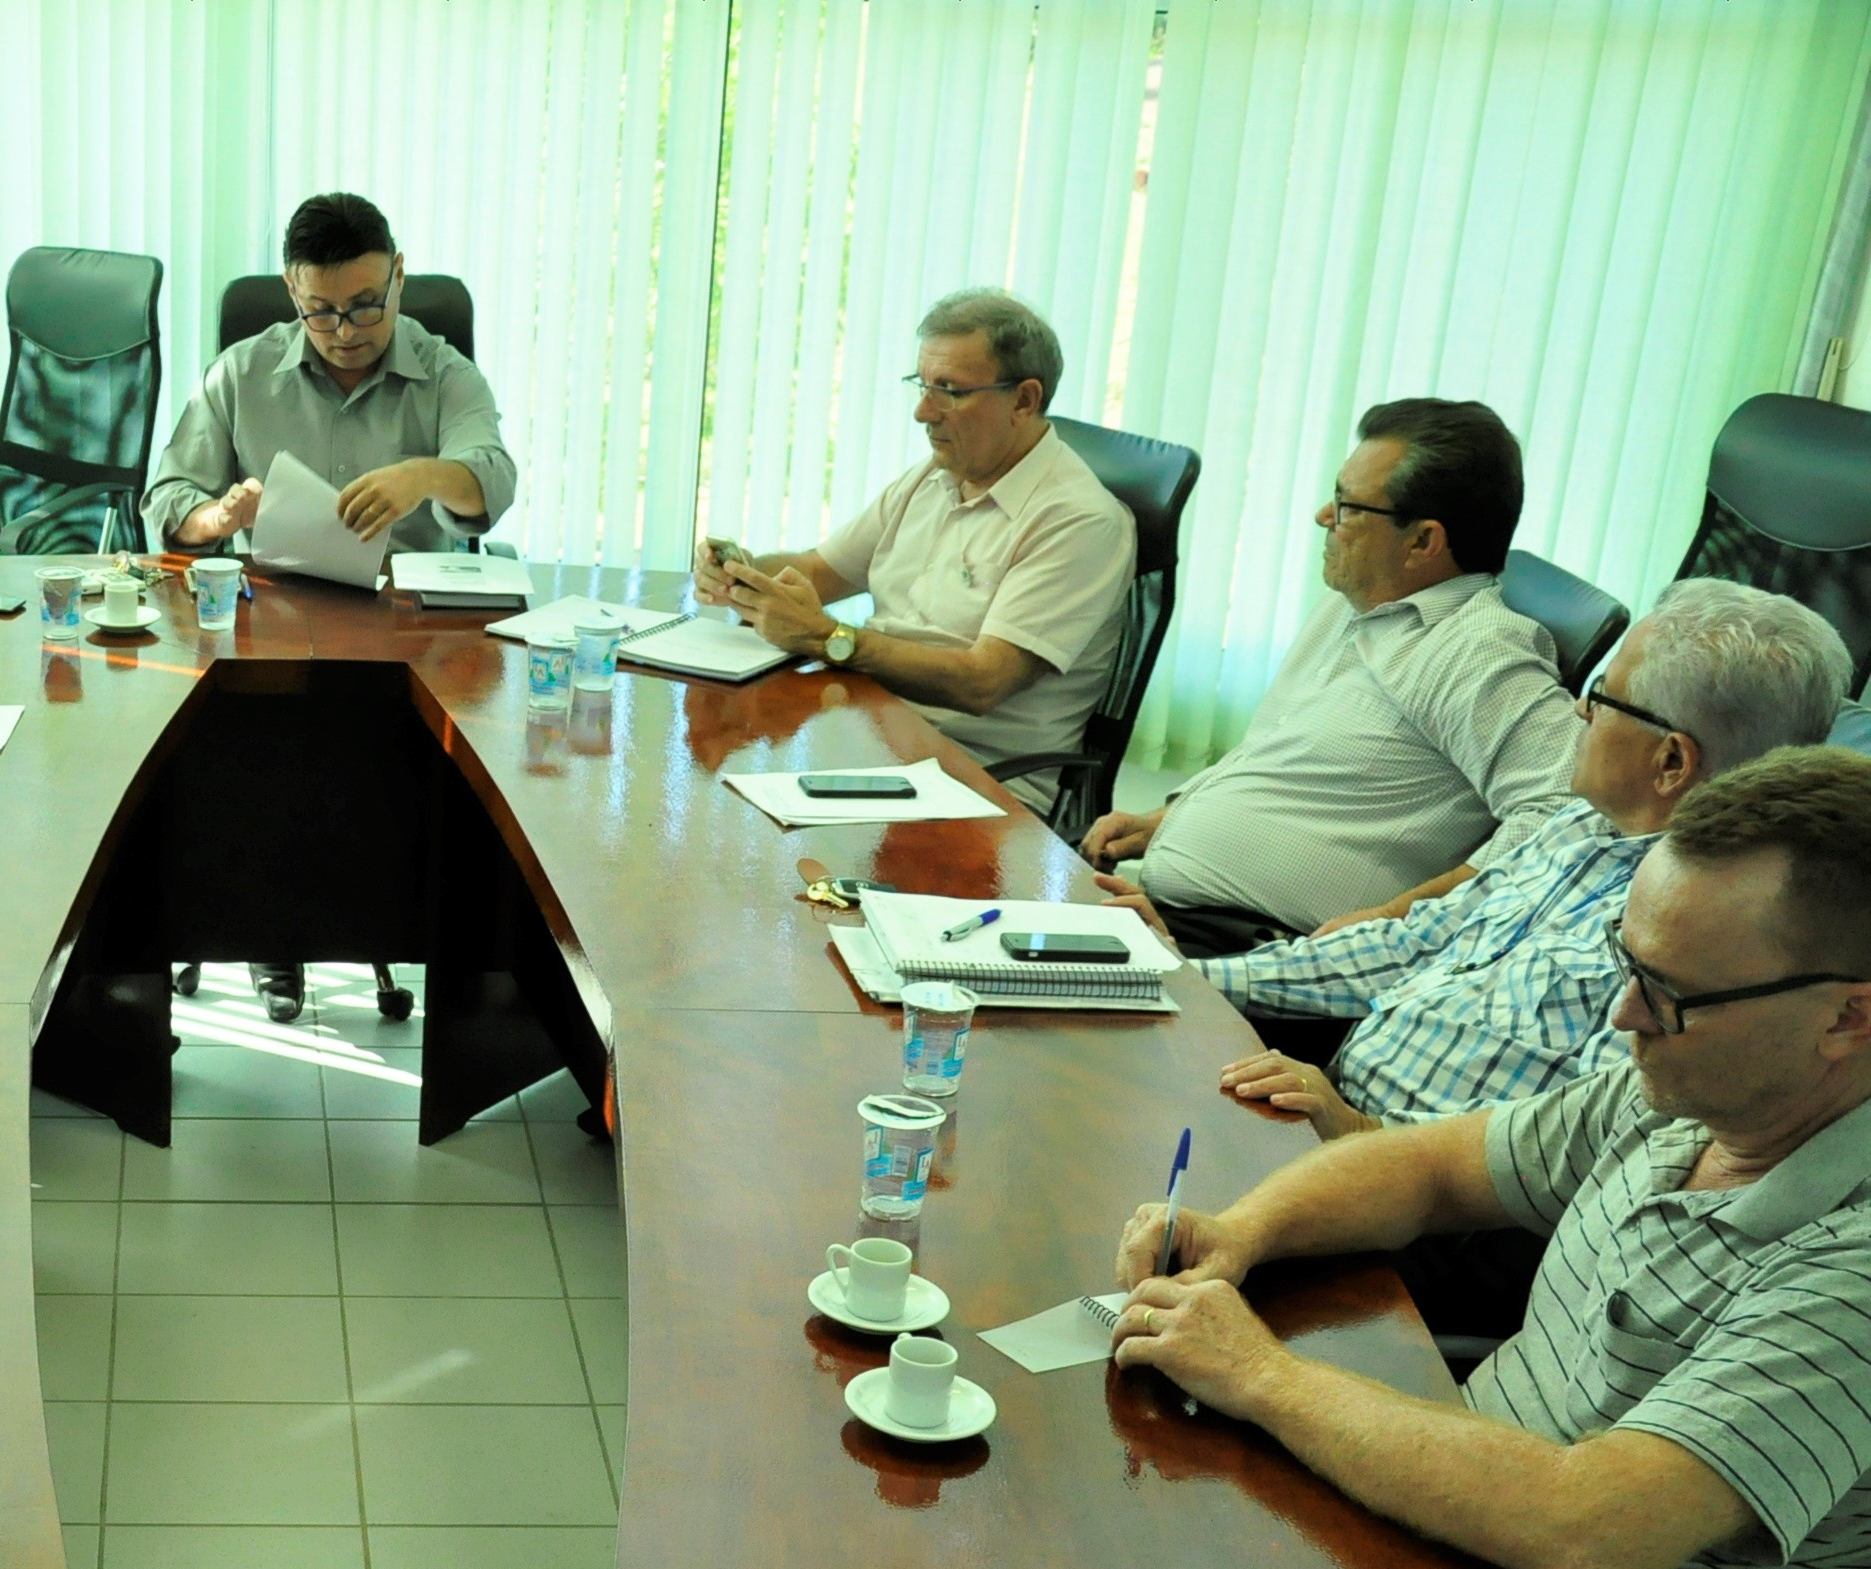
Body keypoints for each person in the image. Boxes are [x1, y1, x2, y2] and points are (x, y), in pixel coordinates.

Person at [1102, 746, 1871, 1569]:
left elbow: (1586, 1526)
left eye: (1672, 995)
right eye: (1628, 963)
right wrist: (1243, 1233)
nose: (1622, 1017)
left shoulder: (1851, 1270)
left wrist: (1262, 1375)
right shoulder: (1697, 1093)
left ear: (1848, 1017)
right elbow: (1430, 1166)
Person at [1190, 580, 1847, 1140]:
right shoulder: (1579, 826)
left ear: (1670, 761)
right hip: (1324, 1105)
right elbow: (1413, 944)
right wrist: (1187, 976)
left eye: (1602, 694)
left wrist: (1357, 1133)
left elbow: (1567, 1147)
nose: (1578, 709)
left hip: (1404, 1200)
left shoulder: (1690, 934)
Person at [1079, 399, 1581, 949]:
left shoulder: (1477, 650)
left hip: (1258, 951)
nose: (1324, 516)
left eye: (1347, 506)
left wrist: (1398, 918)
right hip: (1165, 912)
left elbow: (1567, 811)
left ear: (1422, 541)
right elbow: (1283, 760)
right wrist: (1164, 821)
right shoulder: (1351, 607)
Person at [694, 288, 1134, 804]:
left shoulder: (1079, 522)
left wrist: (828, 639)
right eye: (923, 386)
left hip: (972, 778)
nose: (924, 412)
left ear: (1024, 399)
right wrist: (741, 573)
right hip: (867, 731)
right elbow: (818, 570)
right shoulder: (938, 474)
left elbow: (982, 683)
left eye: (950, 390)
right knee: (705, 766)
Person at [146, 191, 519, 557]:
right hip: (272, 600)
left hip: (402, 603)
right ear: (293, 290)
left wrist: (422, 477)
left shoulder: (447, 376)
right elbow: (168, 498)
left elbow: (494, 480)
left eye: (365, 305)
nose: (346, 333)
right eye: (321, 310)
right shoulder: (238, 374)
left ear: (398, 276)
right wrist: (217, 518)